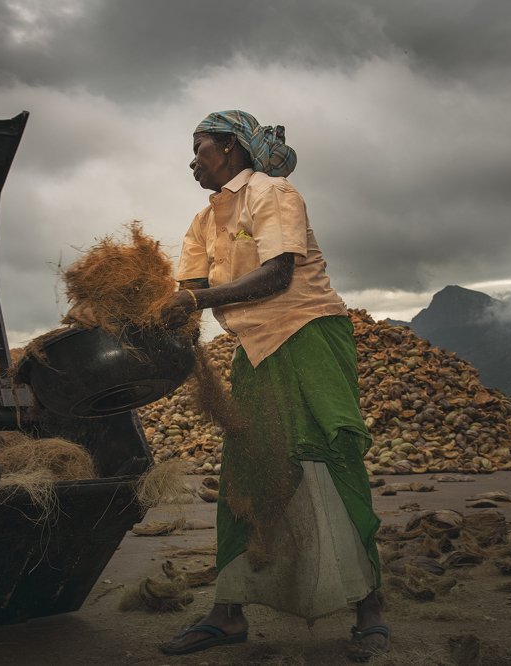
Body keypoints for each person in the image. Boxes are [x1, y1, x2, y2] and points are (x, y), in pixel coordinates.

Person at [159, 110, 388, 661]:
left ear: (232, 149)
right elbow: (186, 291)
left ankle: (371, 606)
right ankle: (227, 614)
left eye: (201, 149)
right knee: (248, 466)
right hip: (254, 350)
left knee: (334, 454)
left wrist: (196, 301)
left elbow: (278, 272)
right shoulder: (202, 220)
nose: (193, 161)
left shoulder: (274, 194)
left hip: (308, 333)